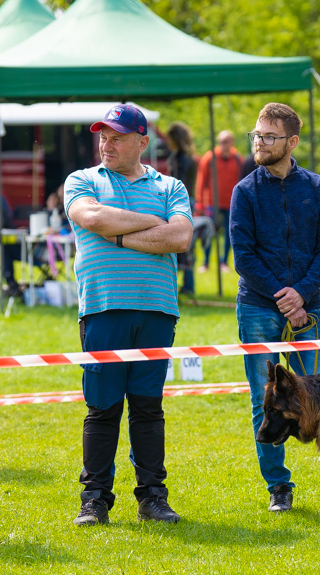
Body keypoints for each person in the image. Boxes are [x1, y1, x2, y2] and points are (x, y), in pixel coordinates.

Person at [64, 104, 192, 526]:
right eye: (103, 135)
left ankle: (153, 497)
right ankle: (95, 499)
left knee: (148, 408)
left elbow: (180, 236)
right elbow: (91, 216)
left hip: (157, 311)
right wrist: (149, 224)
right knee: (102, 409)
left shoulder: (170, 185)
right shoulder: (83, 180)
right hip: (102, 309)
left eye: (117, 136)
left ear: (142, 141)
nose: (107, 143)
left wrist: (116, 235)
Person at [230, 102, 320, 512]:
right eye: (256, 135)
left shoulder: (317, 188)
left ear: (292, 142)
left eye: (269, 137)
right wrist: (284, 295)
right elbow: (243, 256)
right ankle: (279, 488)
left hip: (307, 310)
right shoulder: (244, 191)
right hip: (258, 308)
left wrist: (303, 294)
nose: (259, 143)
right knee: (262, 398)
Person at [195, 130, 242, 272]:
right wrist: (200, 202)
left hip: (231, 203)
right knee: (209, 232)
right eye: (221, 141)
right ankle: (206, 262)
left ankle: (224, 262)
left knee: (230, 233)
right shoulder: (209, 158)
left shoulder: (238, 159)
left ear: (232, 142)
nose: (223, 145)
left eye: (226, 141)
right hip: (211, 203)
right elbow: (201, 180)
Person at [166, 121, 204, 296]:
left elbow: (176, 184)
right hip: (189, 200)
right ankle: (188, 284)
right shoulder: (190, 157)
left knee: (176, 243)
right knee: (187, 244)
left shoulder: (178, 159)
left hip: (179, 202)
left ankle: (181, 284)